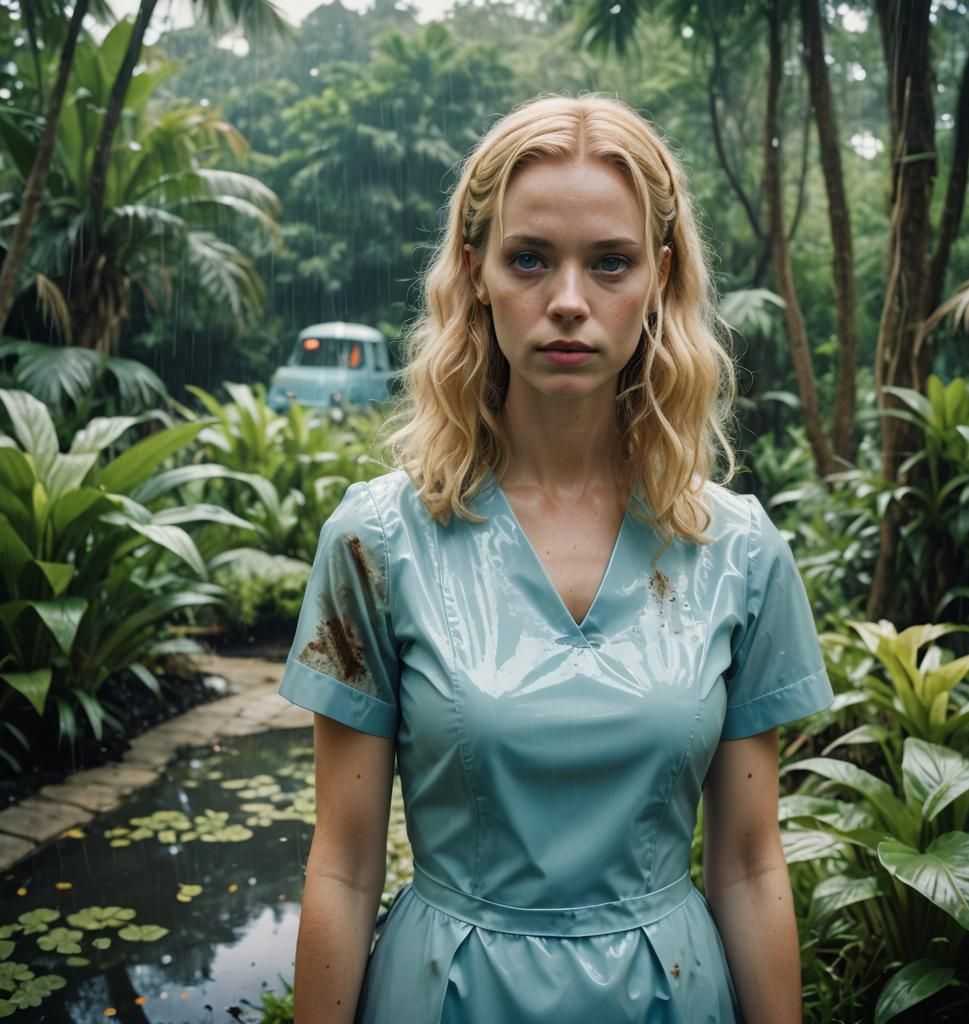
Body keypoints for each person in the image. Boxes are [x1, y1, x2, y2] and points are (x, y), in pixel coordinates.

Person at [277, 93, 834, 1024]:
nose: (569, 302)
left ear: (657, 278)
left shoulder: (737, 552)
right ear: (476, 271)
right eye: (530, 258)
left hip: (671, 997)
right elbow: (342, 863)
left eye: (609, 263)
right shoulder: (376, 540)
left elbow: (747, 865)